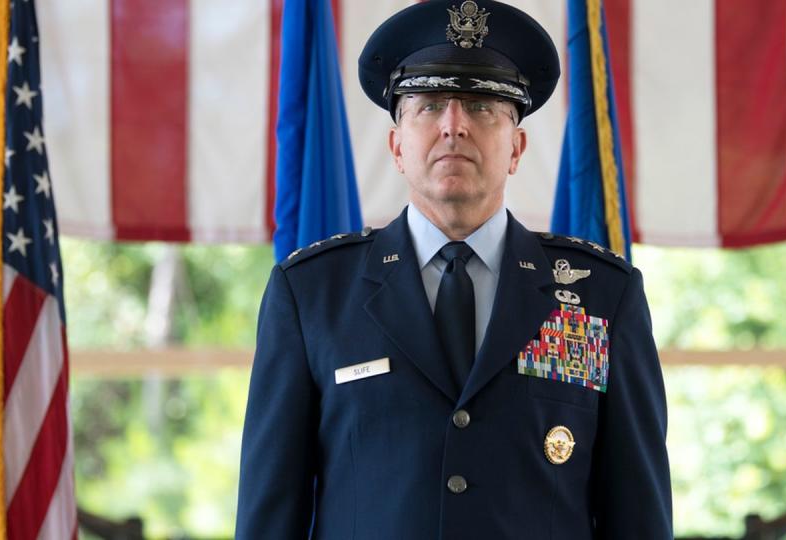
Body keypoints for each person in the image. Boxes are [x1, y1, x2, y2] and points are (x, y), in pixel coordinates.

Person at [235, 1, 672, 538]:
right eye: (430, 105)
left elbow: (639, 517)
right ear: (397, 146)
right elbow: (269, 515)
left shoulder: (606, 297)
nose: (454, 126)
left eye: (482, 107)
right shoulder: (311, 295)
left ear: (517, 148)